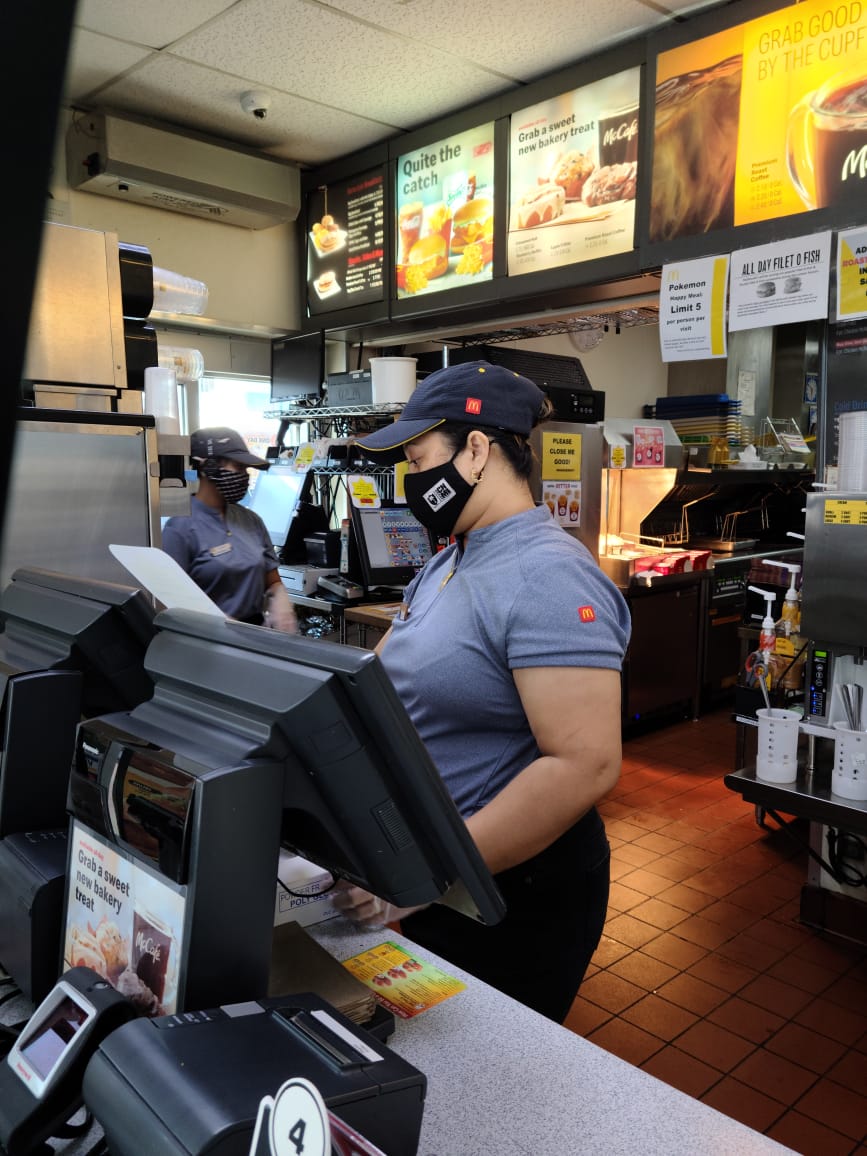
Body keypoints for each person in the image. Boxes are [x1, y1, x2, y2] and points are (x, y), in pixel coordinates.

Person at [331, 360, 631, 1022]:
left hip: (514, 893)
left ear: (475, 449)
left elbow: (585, 764)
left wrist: (433, 872)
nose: (409, 480)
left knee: (489, 1075)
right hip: (440, 877)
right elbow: (377, 689)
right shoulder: (450, 559)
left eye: (416, 457)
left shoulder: (546, 577)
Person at [162, 426, 297, 632]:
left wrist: (280, 603)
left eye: (246, 470)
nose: (244, 476)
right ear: (210, 467)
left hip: (255, 634)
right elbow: (172, 601)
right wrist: (219, 624)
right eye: (238, 467)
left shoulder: (251, 521)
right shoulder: (180, 528)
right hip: (206, 639)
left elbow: (272, 581)